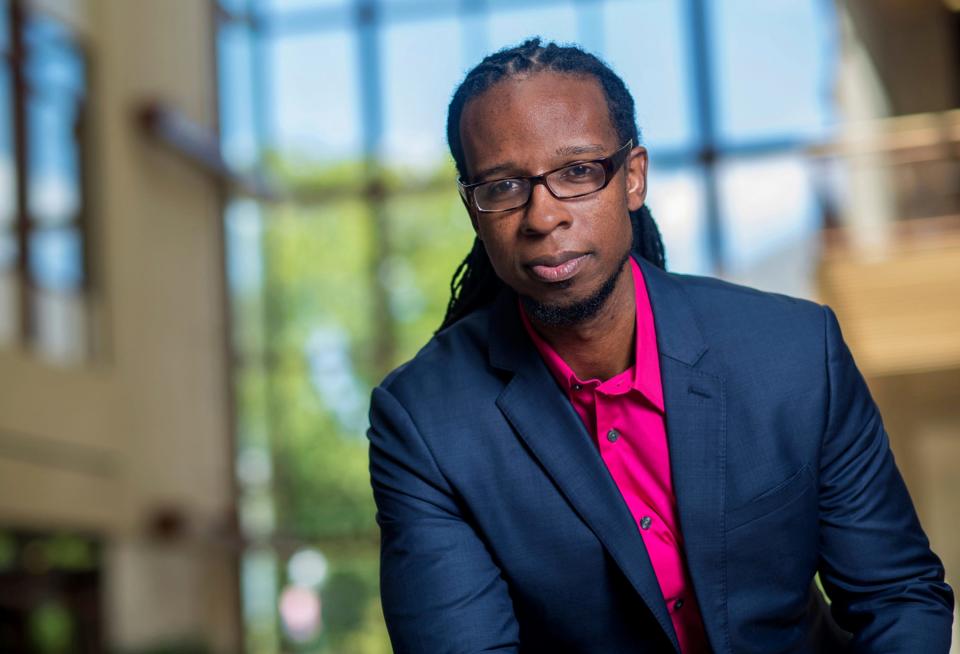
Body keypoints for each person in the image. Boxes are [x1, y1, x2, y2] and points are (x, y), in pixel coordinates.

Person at [366, 38, 954, 653]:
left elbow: (897, 599)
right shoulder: (426, 423)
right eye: (505, 186)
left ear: (633, 178)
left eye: (577, 172)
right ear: (474, 209)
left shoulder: (795, 354)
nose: (543, 217)